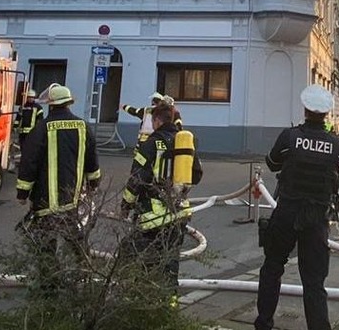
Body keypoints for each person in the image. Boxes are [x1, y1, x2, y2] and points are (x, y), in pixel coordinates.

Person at [252, 84, 339, 330]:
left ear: (305, 110)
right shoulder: (337, 145)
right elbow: (337, 173)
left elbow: (271, 162)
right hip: (316, 218)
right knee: (314, 284)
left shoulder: (290, 137)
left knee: (272, 270)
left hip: (287, 212)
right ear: (326, 113)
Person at [120, 102, 202, 300]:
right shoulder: (183, 142)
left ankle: (143, 302)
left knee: (141, 260)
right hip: (179, 214)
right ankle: (169, 305)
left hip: (153, 218)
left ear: (157, 120)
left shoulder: (150, 143)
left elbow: (136, 179)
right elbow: (197, 174)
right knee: (170, 264)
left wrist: (126, 205)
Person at [16, 84, 101, 249]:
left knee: (45, 243)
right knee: (74, 239)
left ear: (51, 104)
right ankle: (82, 269)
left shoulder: (41, 129)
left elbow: (29, 162)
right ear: (69, 103)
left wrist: (22, 193)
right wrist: (93, 185)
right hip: (73, 198)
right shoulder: (83, 127)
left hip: (45, 200)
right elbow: (92, 161)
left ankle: (50, 272)